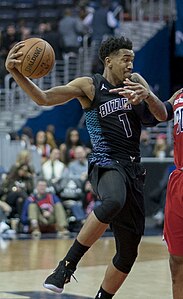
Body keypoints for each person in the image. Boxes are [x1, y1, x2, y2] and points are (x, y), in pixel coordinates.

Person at [5, 36, 169, 298]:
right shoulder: (90, 86)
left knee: (128, 255)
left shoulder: (136, 82)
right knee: (113, 200)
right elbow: (44, 98)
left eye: (132, 60)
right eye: (125, 59)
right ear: (109, 61)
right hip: (105, 162)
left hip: (133, 169)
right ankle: (66, 266)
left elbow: (161, 115)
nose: (130, 64)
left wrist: (147, 96)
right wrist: (16, 73)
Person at [162, 88, 183, 299]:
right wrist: (146, 94)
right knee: (176, 259)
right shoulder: (178, 96)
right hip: (180, 179)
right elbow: (158, 114)